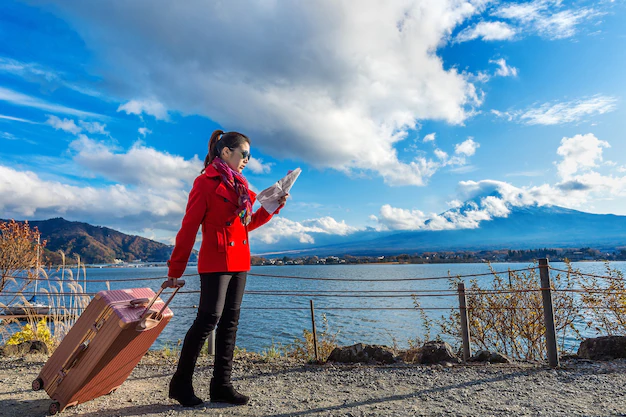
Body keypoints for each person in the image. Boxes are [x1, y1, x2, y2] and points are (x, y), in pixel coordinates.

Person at [166, 129, 287, 407]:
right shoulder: (204, 183)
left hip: (240, 262)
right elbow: (188, 228)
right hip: (215, 262)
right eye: (244, 154)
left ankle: (221, 385)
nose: (247, 159)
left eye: (250, 156)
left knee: (230, 324)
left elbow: (247, 224)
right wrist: (176, 268)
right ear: (225, 152)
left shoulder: (241, 187)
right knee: (207, 320)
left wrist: (271, 207)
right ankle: (180, 383)